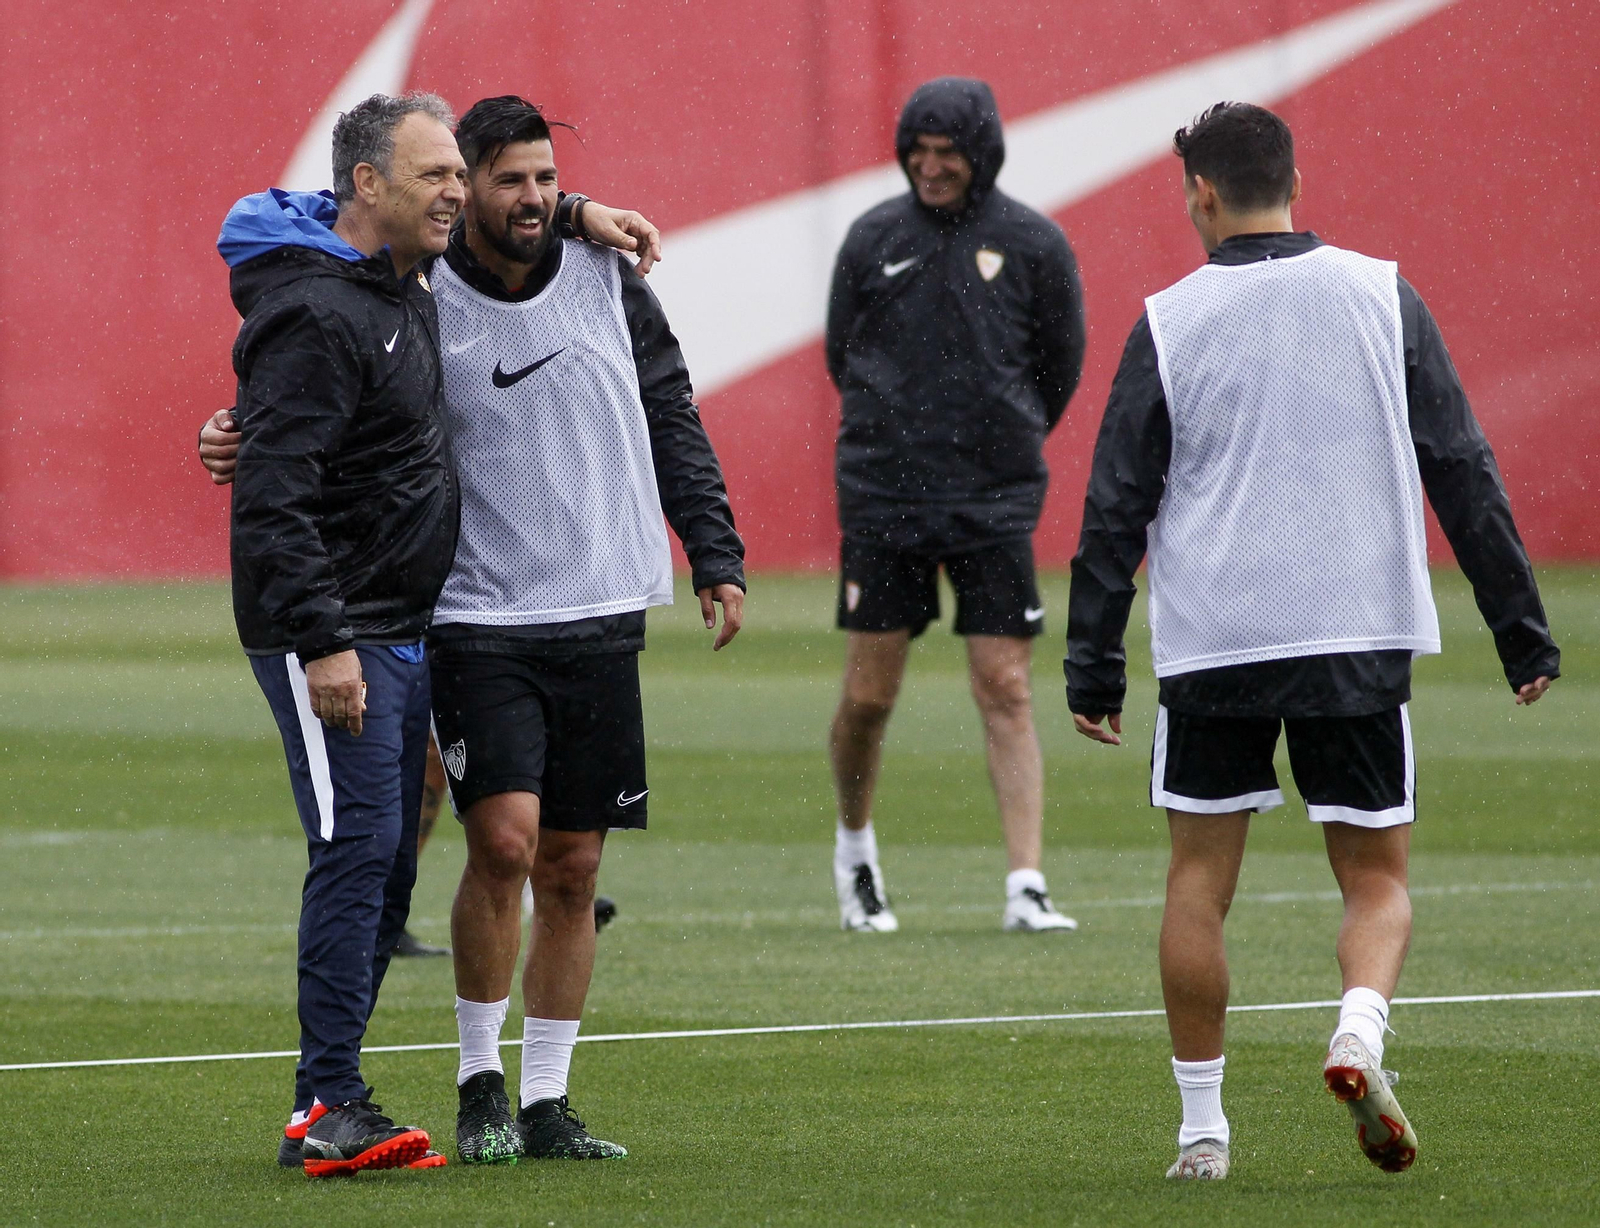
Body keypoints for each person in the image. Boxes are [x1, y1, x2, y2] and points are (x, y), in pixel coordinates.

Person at [206, 94, 744, 1167]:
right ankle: (377, 1096)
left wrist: (713, 548)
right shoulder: (378, 291)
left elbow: (670, 404)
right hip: (430, 618)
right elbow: (288, 443)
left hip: (538, 614)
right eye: (479, 178)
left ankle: (528, 1100)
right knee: (427, 850)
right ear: (383, 187)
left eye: (537, 179)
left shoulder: (503, 280)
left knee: (521, 864)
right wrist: (313, 617)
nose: (500, 195)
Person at [1064, 102, 1559, 1180]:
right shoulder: (1383, 293)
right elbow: (1460, 466)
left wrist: (1091, 660)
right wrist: (1519, 628)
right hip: (1354, 631)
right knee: (1375, 881)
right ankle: (1357, 1031)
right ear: (1294, 177)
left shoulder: (1169, 316)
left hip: (1215, 643)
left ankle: (1202, 1133)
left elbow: (1115, 505)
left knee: (1198, 883)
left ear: (1200, 190)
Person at [220, 91, 465, 1177]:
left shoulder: (400, 284)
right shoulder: (321, 309)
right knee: (357, 853)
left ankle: (337, 1093)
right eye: (434, 176)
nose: (454, 193)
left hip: (400, 622)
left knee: (387, 862)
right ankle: (327, 1102)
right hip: (338, 628)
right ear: (365, 185)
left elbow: (276, 445)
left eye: (459, 173)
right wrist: (324, 641)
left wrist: (584, 210)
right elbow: (275, 493)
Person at [824, 77, 1086, 933]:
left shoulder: (1035, 244)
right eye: (919, 153)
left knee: (1005, 685)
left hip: (993, 499)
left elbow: (1061, 366)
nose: (931, 169)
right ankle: (856, 853)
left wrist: (997, 438)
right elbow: (842, 356)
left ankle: (1026, 884)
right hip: (884, 495)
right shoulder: (872, 238)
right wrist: (897, 432)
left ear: (982, 156)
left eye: (949, 155)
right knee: (869, 697)